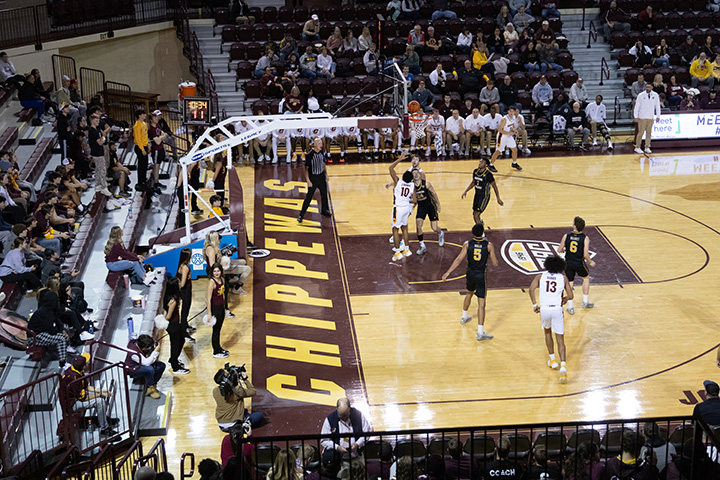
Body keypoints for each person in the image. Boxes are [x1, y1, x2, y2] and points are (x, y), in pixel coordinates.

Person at [442, 223, 499, 341]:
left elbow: (458, 259)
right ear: (483, 232)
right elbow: (495, 263)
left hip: (470, 273)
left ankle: (464, 316)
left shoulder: (467, 244)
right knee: (481, 303)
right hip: (480, 275)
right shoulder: (488, 245)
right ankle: (480, 332)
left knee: (469, 293)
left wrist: (448, 272)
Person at [529, 255, 573, 384]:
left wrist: (534, 305)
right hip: (556, 309)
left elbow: (531, 289)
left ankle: (553, 361)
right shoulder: (563, 278)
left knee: (547, 332)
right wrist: (563, 300)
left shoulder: (539, 277)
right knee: (560, 339)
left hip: (545, 309)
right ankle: (563, 365)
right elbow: (571, 295)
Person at [61, 353, 117, 436]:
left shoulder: (75, 370)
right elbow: (84, 397)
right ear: (84, 366)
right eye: (86, 362)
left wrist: (102, 391)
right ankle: (104, 429)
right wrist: (100, 394)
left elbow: (86, 387)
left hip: (75, 397)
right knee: (99, 401)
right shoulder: (74, 378)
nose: (88, 363)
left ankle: (103, 419)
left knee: (100, 397)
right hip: (71, 404)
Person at [556, 216, 597, 314]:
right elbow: (585, 254)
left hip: (568, 263)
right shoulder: (585, 238)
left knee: (569, 282)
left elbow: (559, 250)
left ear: (574, 226)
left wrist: (565, 249)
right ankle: (585, 301)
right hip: (579, 263)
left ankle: (570, 307)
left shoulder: (566, 236)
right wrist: (590, 262)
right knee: (586, 278)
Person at [28, 284, 70, 370]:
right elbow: (52, 330)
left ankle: (65, 349)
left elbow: (56, 321)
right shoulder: (44, 312)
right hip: (35, 336)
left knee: (65, 327)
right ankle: (62, 364)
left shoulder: (49, 309)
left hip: (43, 332)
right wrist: (61, 332)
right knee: (61, 338)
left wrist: (62, 330)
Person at [213, 364, 263, 431]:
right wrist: (245, 380)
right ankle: (242, 425)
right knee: (260, 415)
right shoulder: (237, 391)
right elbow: (253, 391)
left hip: (221, 424)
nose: (229, 374)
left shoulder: (215, 391)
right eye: (227, 374)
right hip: (233, 425)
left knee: (245, 410)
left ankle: (242, 421)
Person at [388, 153, 416, 261]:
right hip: (406, 208)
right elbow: (414, 200)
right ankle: (407, 249)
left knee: (395, 230)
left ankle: (397, 252)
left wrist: (399, 159)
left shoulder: (398, 182)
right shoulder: (412, 186)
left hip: (398, 208)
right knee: (405, 229)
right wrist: (406, 199)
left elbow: (390, 168)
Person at [160, 276, 189, 374]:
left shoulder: (169, 296)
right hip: (173, 325)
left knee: (181, 340)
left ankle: (173, 359)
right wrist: (164, 321)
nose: (181, 283)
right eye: (179, 282)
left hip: (176, 324)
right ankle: (175, 367)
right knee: (175, 345)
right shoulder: (173, 300)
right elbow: (168, 316)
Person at [298, 137, 331, 222]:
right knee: (309, 197)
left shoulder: (322, 153)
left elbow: (323, 164)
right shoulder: (310, 155)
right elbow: (306, 168)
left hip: (321, 177)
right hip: (313, 178)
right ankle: (301, 215)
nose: (321, 145)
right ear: (315, 145)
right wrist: (308, 180)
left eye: (321, 143)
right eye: (319, 144)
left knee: (324, 195)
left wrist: (326, 175)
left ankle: (324, 210)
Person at [412, 169, 443, 255]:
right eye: (413, 173)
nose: (416, 174)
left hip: (431, 207)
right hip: (421, 207)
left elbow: (434, 193)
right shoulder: (411, 186)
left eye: (417, 172)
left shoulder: (426, 183)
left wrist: (438, 204)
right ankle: (422, 246)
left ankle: (440, 233)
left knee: (434, 228)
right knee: (418, 226)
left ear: (419, 174)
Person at [126, 334, 166, 399]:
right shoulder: (134, 353)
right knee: (149, 369)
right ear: (143, 347)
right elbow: (146, 363)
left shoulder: (140, 343)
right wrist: (156, 352)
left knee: (161, 366)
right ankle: (150, 388)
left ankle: (153, 384)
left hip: (141, 364)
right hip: (132, 369)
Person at [488, 105, 523, 171]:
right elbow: (500, 130)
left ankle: (514, 163)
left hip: (508, 136)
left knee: (514, 149)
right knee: (498, 151)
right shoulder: (504, 119)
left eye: (512, 111)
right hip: (502, 136)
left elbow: (511, 127)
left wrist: (515, 131)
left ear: (515, 112)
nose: (511, 113)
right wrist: (509, 133)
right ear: (508, 111)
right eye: (510, 111)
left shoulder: (513, 118)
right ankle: (491, 165)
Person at [206, 262, 229, 358]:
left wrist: (225, 307)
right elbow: (208, 299)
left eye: (218, 271)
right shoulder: (212, 282)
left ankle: (219, 347)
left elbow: (223, 294)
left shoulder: (222, 279)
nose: (216, 273)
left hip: (221, 308)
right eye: (214, 271)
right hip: (215, 309)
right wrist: (210, 314)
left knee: (219, 329)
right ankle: (216, 351)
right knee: (215, 330)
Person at [633, 83, 661, 154]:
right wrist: (635, 116)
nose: (647, 88)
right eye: (647, 87)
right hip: (642, 117)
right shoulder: (640, 95)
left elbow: (657, 106)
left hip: (650, 117)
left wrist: (658, 116)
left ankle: (647, 147)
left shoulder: (655, 95)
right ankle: (637, 147)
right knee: (641, 133)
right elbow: (637, 107)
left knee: (649, 133)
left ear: (652, 87)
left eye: (649, 87)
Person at [133, 109, 150, 191]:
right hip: (140, 147)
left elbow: (145, 136)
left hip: (145, 146)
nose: (145, 115)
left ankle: (143, 179)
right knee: (141, 165)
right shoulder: (136, 125)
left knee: (145, 164)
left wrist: (148, 144)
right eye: (144, 114)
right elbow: (138, 139)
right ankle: (140, 181)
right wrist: (142, 149)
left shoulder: (144, 124)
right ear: (140, 115)